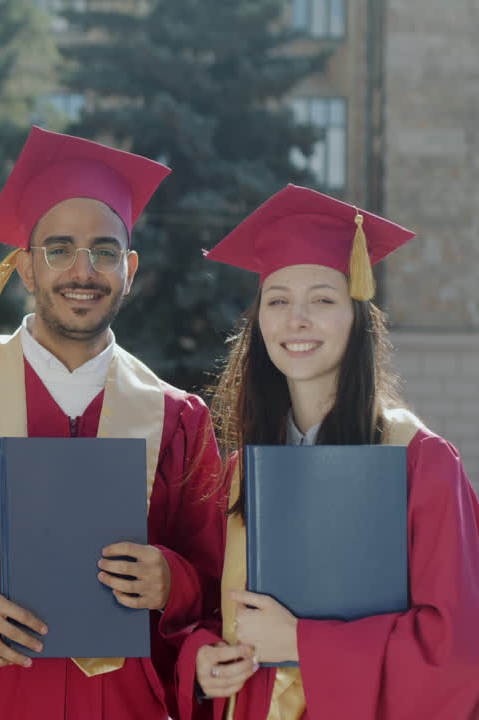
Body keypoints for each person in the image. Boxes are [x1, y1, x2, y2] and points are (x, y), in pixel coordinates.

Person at [0, 126, 226, 720]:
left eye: (105, 252)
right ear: (26, 268)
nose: (82, 271)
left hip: (119, 705)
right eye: (58, 249)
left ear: (130, 269)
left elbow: (217, 578)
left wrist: (173, 581)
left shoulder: (176, 419)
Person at [180, 184, 479, 720]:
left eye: (322, 299)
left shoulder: (419, 461)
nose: (297, 320)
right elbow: (203, 609)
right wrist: (201, 661)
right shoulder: (243, 474)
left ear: (357, 318)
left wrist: (301, 643)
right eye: (277, 301)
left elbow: (454, 651)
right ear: (260, 325)